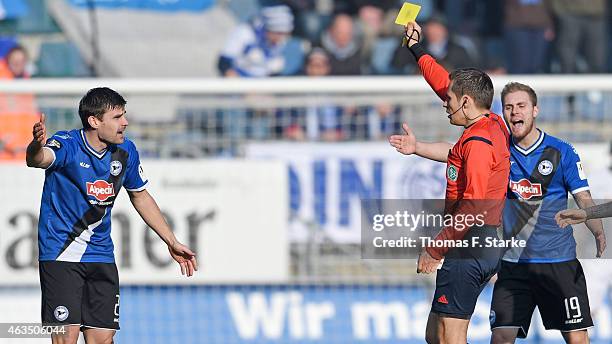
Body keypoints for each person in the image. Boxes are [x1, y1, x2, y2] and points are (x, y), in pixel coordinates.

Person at [26, 87, 198, 344]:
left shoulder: (126, 151)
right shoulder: (68, 144)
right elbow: (39, 159)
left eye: (124, 115)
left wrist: (171, 241)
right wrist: (35, 146)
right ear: (94, 121)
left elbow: (140, 195)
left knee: (103, 340)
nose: (125, 122)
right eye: (117, 117)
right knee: (65, 338)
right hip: (61, 254)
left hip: (102, 255)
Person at [389, 21, 510, 344]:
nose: (445, 102)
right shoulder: (490, 124)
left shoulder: (479, 144)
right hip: (474, 243)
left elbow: (473, 205)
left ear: (467, 102)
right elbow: (445, 84)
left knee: (450, 338)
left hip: (470, 242)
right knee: (435, 336)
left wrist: (435, 247)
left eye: (450, 99)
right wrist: (417, 49)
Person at [488, 82, 605, 344]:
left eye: (521, 106)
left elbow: (583, 197)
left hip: (558, 263)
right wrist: (417, 148)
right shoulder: (499, 151)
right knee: (501, 337)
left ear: (535, 110)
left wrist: (597, 230)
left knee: (576, 339)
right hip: (514, 265)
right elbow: (457, 153)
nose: (515, 112)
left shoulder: (562, 151)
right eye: (509, 107)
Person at [217, 5, 298, 77]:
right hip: (239, 83)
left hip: (262, 85)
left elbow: (274, 71)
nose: (281, 38)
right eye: (278, 33)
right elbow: (224, 63)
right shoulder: (245, 32)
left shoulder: (281, 41)